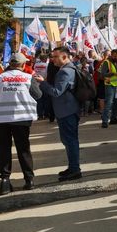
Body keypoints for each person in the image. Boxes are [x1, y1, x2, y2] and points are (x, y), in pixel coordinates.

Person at [0, 53, 43, 195]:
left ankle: (5, 182)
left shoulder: (0, 77)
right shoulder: (28, 78)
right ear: (23, 64)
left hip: (2, 119)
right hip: (22, 119)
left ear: (10, 64)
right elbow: (38, 95)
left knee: (3, 149)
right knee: (23, 149)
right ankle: (29, 180)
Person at [36, 46, 82, 181]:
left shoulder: (65, 72)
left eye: (55, 57)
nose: (52, 59)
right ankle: (72, 167)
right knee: (68, 140)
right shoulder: (65, 69)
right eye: (52, 56)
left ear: (64, 57)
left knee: (70, 140)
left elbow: (56, 92)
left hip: (67, 111)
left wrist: (42, 83)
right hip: (66, 110)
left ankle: (75, 169)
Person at [100, 49, 117, 127]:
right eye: (115, 55)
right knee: (109, 103)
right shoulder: (106, 62)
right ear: (112, 54)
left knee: (116, 103)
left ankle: (113, 118)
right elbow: (103, 74)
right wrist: (113, 73)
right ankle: (105, 121)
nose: (116, 57)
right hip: (109, 84)